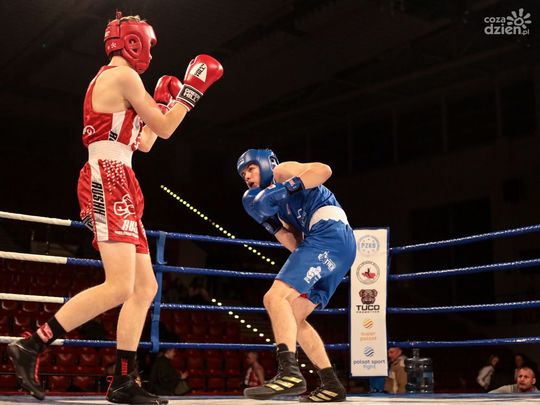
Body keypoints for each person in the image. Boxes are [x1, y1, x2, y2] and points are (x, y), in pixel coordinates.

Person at [7, 11, 222, 403]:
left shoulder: (123, 84)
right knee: (120, 284)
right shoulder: (122, 76)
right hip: (107, 176)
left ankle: (123, 381)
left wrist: (163, 101)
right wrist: (191, 91)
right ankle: (31, 344)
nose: (150, 54)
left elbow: (147, 142)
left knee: (145, 287)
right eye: (149, 46)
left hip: (122, 176)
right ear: (134, 42)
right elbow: (167, 127)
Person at [237, 149, 356, 402]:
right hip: (336, 247)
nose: (246, 176)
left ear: (266, 164)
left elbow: (324, 170)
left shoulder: (282, 172)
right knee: (294, 315)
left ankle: (289, 373)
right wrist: (270, 223)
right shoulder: (277, 209)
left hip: (329, 233)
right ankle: (331, 384)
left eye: (251, 168)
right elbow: (296, 245)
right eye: (243, 173)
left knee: (274, 298)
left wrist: (287, 187)